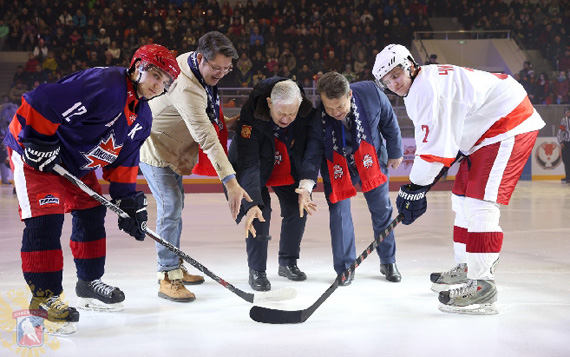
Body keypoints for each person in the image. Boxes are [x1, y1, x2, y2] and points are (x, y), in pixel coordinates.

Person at [3, 44, 180, 334]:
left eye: (165, 82)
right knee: (46, 219)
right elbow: (41, 100)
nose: (159, 85)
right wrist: (36, 140)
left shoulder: (143, 118)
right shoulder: (107, 84)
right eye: (156, 75)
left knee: (92, 211)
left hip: (71, 164)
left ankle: (88, 283)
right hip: (33, 154)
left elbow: (124, 160)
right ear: (137, 67)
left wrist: (128, 202)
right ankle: (44, 299)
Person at [373, 44, 545, 315]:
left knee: (480, 204)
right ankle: (467, 267)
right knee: (461, 198)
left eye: (397, 74)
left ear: (409, 65)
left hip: (506, 124)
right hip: (483, 131)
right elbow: (439, 146)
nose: (394, 83)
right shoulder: (421, 84)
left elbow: (433, 154)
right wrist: (418, 186)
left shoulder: (426, 89)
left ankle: (483, 285)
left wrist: (413, 188)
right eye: (387, 81)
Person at [139, 32, 251, 302]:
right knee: (171, 205)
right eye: (217, 68)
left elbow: (207, 113)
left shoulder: (192, 65)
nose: (222, 74)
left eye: (227, 68)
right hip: (156, 150)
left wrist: (229, 121)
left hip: (174, 148)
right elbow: (208, 140)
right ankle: (167, 275)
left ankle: (174, 264)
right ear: (201, 58)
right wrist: (231, 183)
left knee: (175, 206)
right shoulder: (187, 87)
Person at [228, 78, 321, 291]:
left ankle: (288, 262)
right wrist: (251, 203)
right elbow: (248, 162)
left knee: (298, 206)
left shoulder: (306, 112)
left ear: (299, 104)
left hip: (284, 161)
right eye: (280, 114)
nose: (286, 119)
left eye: (291, 114)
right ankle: (257, 270)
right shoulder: (250, 115)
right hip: (255, 165)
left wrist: (306, 185)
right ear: (269, 103)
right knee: (260, 212)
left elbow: (310, 152)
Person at [314, 72, 403, 286]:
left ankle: (388, 261)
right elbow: (312, 149)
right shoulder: (317, 113)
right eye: (330, 108)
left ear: (349, 95)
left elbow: (389, 121)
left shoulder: (372, 93)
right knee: (339, 214)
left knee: (382, 210)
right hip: (338, 166)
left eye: (340, 107)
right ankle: (345, 267)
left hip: (370, 159)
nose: (335, 113)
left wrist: (395, 151)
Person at [558, 107, 570, 183]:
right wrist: (561, 141)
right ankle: (568, 176)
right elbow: (560, 132)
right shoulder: (564, 120)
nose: (568, 114)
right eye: (567, 112)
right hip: (566, 142)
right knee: (566, 160)